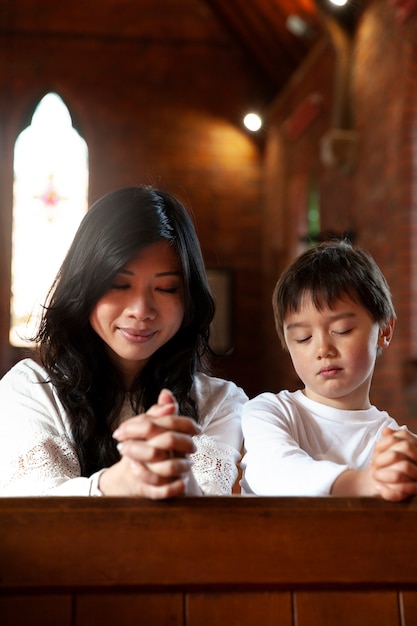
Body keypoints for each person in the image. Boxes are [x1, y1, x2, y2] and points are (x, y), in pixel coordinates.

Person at [0, 185, 247, 498]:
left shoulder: (219, 403)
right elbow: (33, 514)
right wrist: (120, 482)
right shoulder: (29, 389)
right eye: (119, 284)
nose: (141, 310)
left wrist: (180, 481)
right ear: (83, 287)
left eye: (167, 288)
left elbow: (212, 524)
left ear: (189, 298)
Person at [241, 239, 417, 501]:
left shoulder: (394, 444)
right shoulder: (270, 411)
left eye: (342, 330)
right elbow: (271, 470)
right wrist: (363, 483)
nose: (323, 349)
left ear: (384, 330)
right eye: (303, 337)